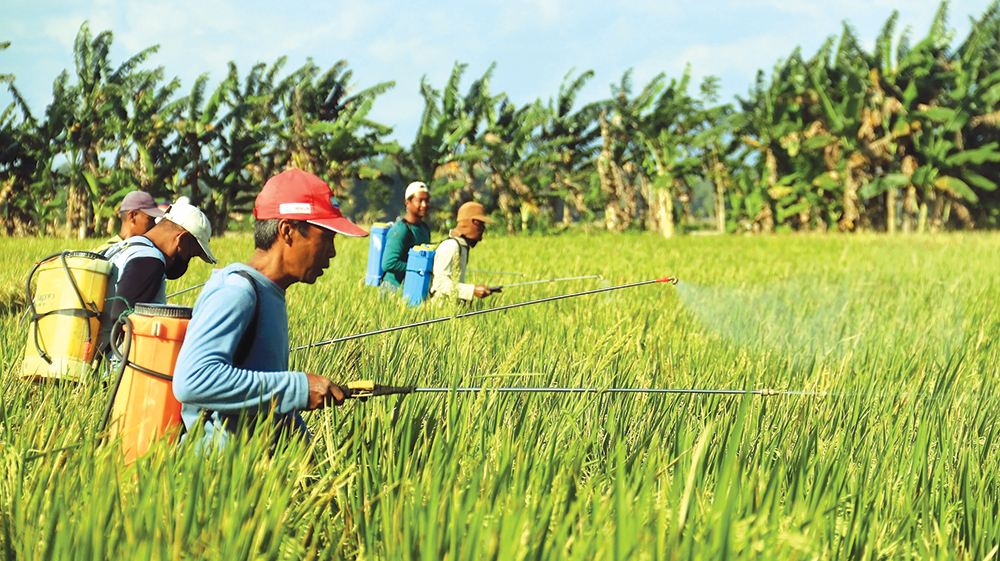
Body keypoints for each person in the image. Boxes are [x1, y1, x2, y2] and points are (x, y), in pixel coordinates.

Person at [173, 169, 366, 446]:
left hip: (257, 476)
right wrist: (298, 388)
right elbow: (192, 380)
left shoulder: (269, 294)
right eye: (327, 237)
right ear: (287, 230)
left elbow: (266, 401)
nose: (332, 252)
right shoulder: (236, 292)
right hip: (217, 478)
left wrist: (306, 452)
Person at [99, 201, 216, 350]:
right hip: (113, 366)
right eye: (191, 255)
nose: (187, 261)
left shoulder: (124, 247)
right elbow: (122, 317)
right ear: (181, 238)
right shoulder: (150, 259)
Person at [429, 201, 497, 302]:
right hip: (439, 308)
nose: (483, 228)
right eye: (480, 224)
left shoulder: (462, 247)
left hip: (452, 307)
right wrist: (472, 290)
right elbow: (440, 283)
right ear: (470, 223)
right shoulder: (451, 246)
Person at [380, 181, 431, 290]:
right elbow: (388, 263)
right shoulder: (401, 229)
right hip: (393, 288)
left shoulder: (424, 228)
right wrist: (418, 267)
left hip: (413, 287)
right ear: (407, 202)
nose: (424, 205)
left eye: (426, 200)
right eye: (419, 201)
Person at [93, 191, 164, 253]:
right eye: (150, 219)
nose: (154, 225)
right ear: (132, 216)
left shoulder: (149, 248)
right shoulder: (107, 252)